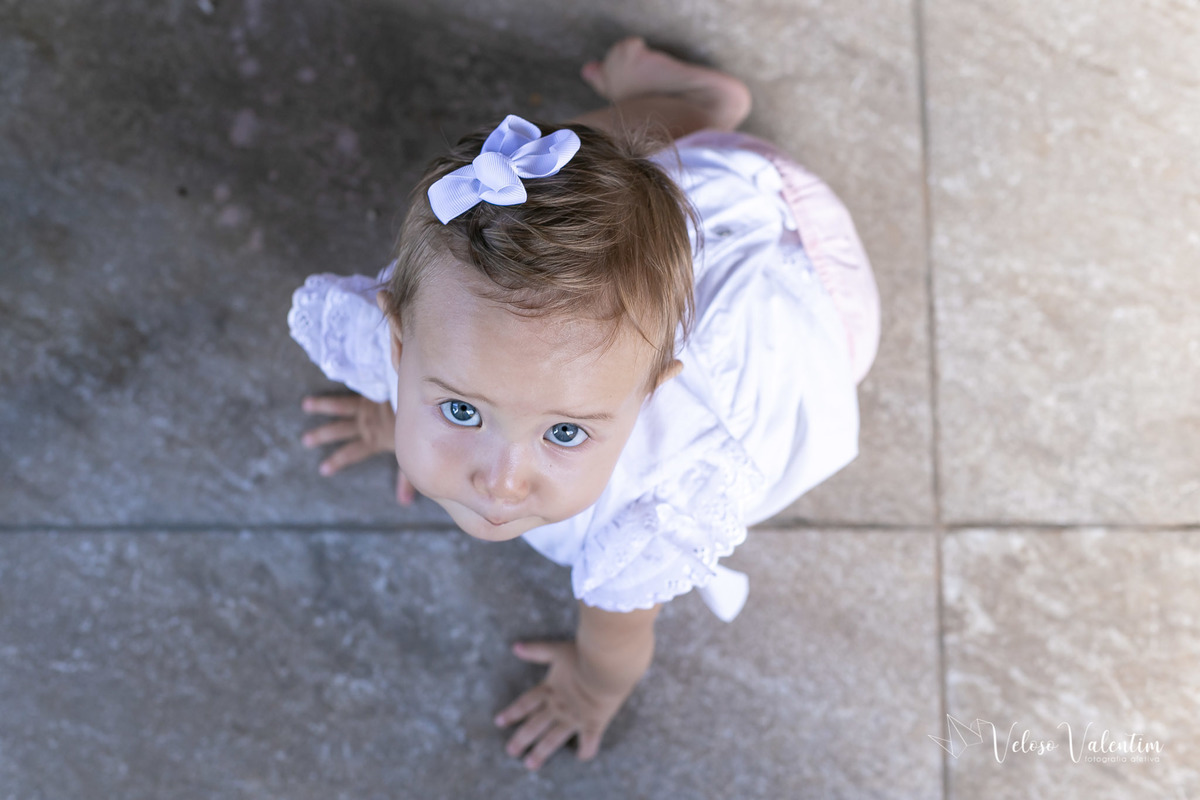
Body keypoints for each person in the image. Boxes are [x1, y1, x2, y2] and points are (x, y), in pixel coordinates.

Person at [287, 36, 880, 771]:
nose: (502, 482)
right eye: (463, 413)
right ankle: (689, 113)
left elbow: (617, 649)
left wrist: (592, 691)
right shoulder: (444, 317)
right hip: (697, 189)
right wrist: (390, 415)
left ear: (646, 396)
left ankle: (696, 109)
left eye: (565, 431)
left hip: (804, 281)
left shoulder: (642, 517)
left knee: (599, 180)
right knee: (569, 191)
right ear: (399, 349)